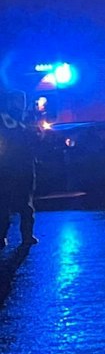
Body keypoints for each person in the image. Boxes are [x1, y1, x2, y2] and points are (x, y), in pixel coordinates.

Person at [0, 95, 35, 250]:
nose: (21, 105)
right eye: (18, 101)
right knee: (4, 204)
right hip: (7, 167)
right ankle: (2, 236)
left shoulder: (24, 120)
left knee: (25, 204)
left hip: (24, 168)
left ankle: (27, 235)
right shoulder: (5, 119)